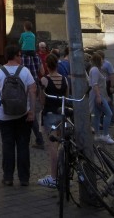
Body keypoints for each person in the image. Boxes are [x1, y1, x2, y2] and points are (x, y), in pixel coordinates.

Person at [0, 44, 36, 187]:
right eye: (20, 55)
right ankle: (24, 178)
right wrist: (32, 111)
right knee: (23, 145)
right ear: (16, 56)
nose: (21, 57)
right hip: (23, 113)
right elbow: (33, 91)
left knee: (7, 145)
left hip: (3, 115)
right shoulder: (25, 71)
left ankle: (8, 177)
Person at [37, 53, 68, 188]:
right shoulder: (65, 79)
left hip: (49, 115)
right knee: (63, 146)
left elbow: (42, 100)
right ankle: (65, 175)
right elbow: (66, 98)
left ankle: (54, 177)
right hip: (62, 115)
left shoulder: (44, 80)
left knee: (53, 148)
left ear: (47, 66)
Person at [89, 52, 114, 145]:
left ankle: (97, 135)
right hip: (97, 95)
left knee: (97, 114)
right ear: (98, 60)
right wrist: (99, 96)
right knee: (108, 113)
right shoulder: (95, 70)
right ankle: (105, 134)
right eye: (101, 59)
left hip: (98, 94)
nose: (103, 61)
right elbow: (95, 84)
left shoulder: (95, 69)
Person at [97, 49, 114, 126]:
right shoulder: (96, 64)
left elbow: (112, 75)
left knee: (109, 102)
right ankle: (102, 120)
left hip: (107, 84)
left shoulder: (107, 64)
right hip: (100, 84)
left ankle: (111, 121)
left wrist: (111, 86)